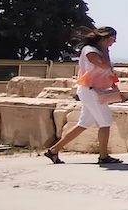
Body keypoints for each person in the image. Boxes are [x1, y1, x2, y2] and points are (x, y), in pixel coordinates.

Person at [44, 26, 123, 165]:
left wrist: (115, 88)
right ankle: (103, 156)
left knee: (84, 124)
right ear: (105, 38)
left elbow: (108, 71)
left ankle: (54, 150)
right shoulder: (90, 51)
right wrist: (105, 50)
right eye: (112, 39)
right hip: (90, 90)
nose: (114, 42)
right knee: (105, 123)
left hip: (96, 90)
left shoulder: (101, 51)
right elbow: (103, 66)